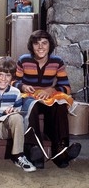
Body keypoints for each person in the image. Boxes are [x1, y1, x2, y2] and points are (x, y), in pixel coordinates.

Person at [13, 30, 81, 168]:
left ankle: (61, 151)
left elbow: (66, 87)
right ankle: (34, 149)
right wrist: (23, 86)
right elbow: (13, 82)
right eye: (36, 44)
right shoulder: (23, 60)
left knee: (61, 106)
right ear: (31, 46)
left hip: (48, 97)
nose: (40, 47)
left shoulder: (57, 62)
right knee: (31, 105)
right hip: (30, 97)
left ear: (50, 45)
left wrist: (52, 90)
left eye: (44, 43)